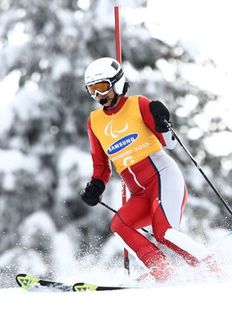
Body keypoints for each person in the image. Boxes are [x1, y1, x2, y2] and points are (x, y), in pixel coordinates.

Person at [80, 57, 219, 280]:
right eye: (92, 89)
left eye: (103, 87)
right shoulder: (94, 121)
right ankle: (161, 269)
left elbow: (170, 143)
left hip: (163, 178)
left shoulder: (139, 104)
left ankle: (213, 269)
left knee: (164, 232)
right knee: (120, 224)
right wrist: (96, 185)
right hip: (139, 192)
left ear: (117, 83)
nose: (99, 95)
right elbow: (100, 164)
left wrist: (162, 120)